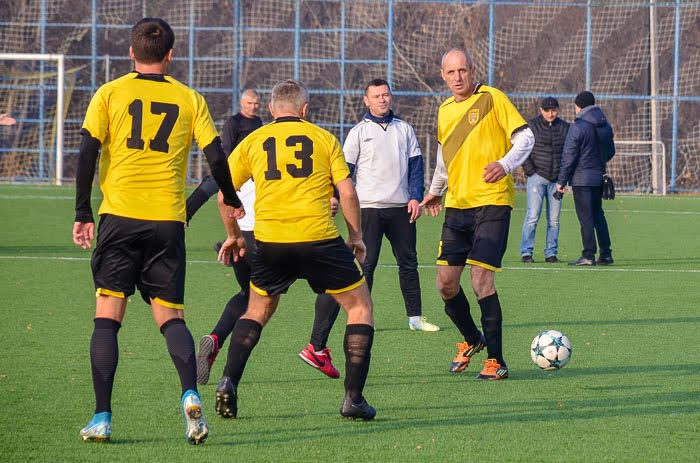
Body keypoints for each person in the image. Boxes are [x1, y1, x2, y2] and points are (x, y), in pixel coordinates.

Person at [72, 17, 244, 445]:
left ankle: (102, 417)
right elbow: (216, 156)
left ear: (131, 52)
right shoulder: (189, 99)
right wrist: (230, 196)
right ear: (170, 55)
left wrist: (83, 211)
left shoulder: (110, 92)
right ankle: (189, 393)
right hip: (168, 222)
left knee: (107, 318)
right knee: (171, 317)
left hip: (119, 217)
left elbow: (88, 152)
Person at [215, 79, 376, 420]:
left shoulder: (253, 140)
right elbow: (347, 193)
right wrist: (356, 235)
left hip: (271, 241)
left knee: (257, 309)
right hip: (318, 238)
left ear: (272, 110)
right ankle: (353, 399)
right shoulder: (323, 138)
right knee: (360, 306)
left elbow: (223, 195)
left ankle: (228, 383)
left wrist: (234, 236)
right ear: (305, 110)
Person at [420, 48, 534, 381]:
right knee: (445, 284)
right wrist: (434, 190)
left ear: (473, 70)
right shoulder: (443, 110)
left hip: (493, 203)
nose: (457, 77)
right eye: (451, 72)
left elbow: (526, 137)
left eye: (463, 71)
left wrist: (505, 164)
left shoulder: (492, 98)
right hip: (457, 205)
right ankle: (472, 339)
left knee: (481, 279)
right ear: (443, 75)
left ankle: (497, 361)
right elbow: (445, 159)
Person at [185, 88, 262, 227]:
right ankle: (184, 216)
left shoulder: (257, 122)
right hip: (231, 167)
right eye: (249, 103)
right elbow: (227, 147)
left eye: (256, 104)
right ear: (242, 103)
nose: (253, 107)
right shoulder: (234, 123)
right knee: (207, 187)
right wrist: (225, 172)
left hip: (250, 170)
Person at [556, 91, 615, 266]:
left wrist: (561, 181)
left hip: (581, 179)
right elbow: (611, 151)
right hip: (598, 177)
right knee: (598, 216)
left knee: (586, 218)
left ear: (579, 106)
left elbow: (569, 156)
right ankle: (606, 254)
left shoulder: (578, 126)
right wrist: (598, 163)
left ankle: (588, 254)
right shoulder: (605, 125)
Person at [520, 96, 570, 263]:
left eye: (554, 110)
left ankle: (551, 253)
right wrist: (530, 171)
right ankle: (526, 252)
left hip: (557, 180)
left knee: (554, 220)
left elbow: (568, 154)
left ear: (558, 110)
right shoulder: (532, 126)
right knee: (533, 216)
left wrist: (564, 178)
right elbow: (523, 148)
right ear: (541, 110)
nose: (551, 113)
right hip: (537, 177)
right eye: (547, 110)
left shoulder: (565, 127)